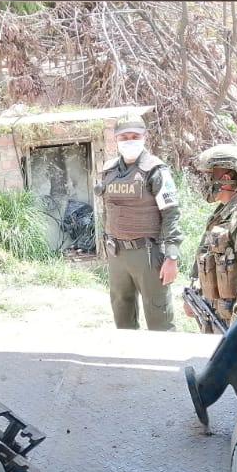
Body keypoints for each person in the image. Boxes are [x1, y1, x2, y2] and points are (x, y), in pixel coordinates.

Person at [96, 117, 181, 331]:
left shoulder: (155, 170)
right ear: (116, 139)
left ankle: (167, 362)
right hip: (117, 254)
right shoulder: (109, 170)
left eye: (135, 136)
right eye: (124, 137)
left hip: (149, 254)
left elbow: (171, 213)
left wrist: (171, 256)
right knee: (122, 317)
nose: (129, 141)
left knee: (159, 320)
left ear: (144, 137)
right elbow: (109, 210)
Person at [186, 144, 237, 330]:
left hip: (234, 327)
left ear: (226, 178)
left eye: (209, 175)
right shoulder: (222, 214)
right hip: (217, 319)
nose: (205, 181)